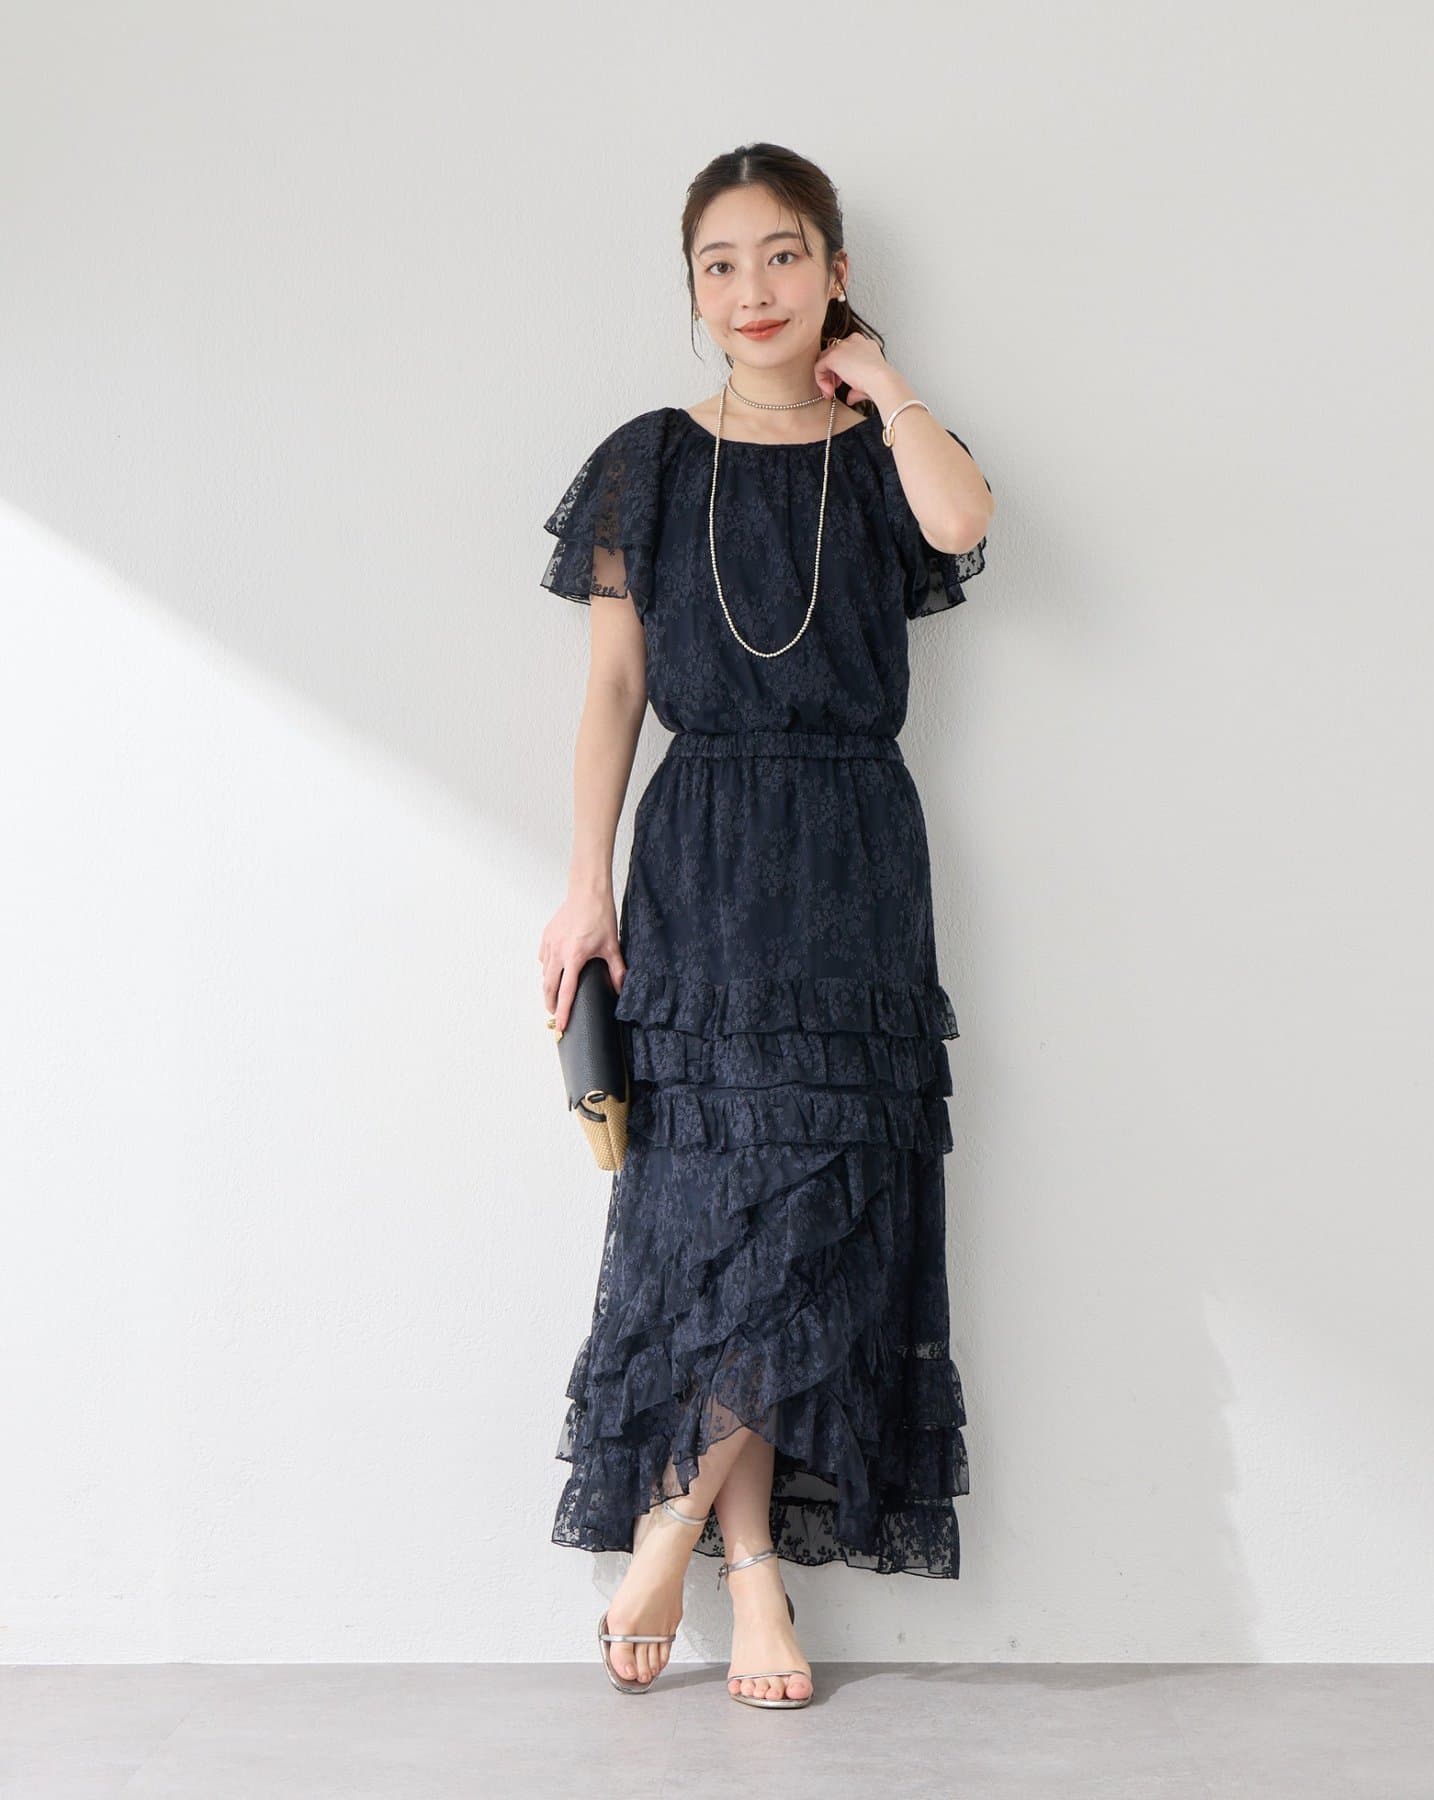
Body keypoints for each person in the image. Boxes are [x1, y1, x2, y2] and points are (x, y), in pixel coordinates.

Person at [537, 142, 993, 1712]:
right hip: (700, 852)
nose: (752, 290)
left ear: (835, 273)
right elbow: (613, 687)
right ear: (691, 287)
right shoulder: (649, 462)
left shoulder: (884, 454)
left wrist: (889, 384)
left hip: (854, 851)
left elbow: (961, 520)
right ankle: (746, 1575)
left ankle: (677, 1531)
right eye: (720, 264)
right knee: (716, 1217)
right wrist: (586, 885)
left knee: (819, 1210)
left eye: (784, 255)